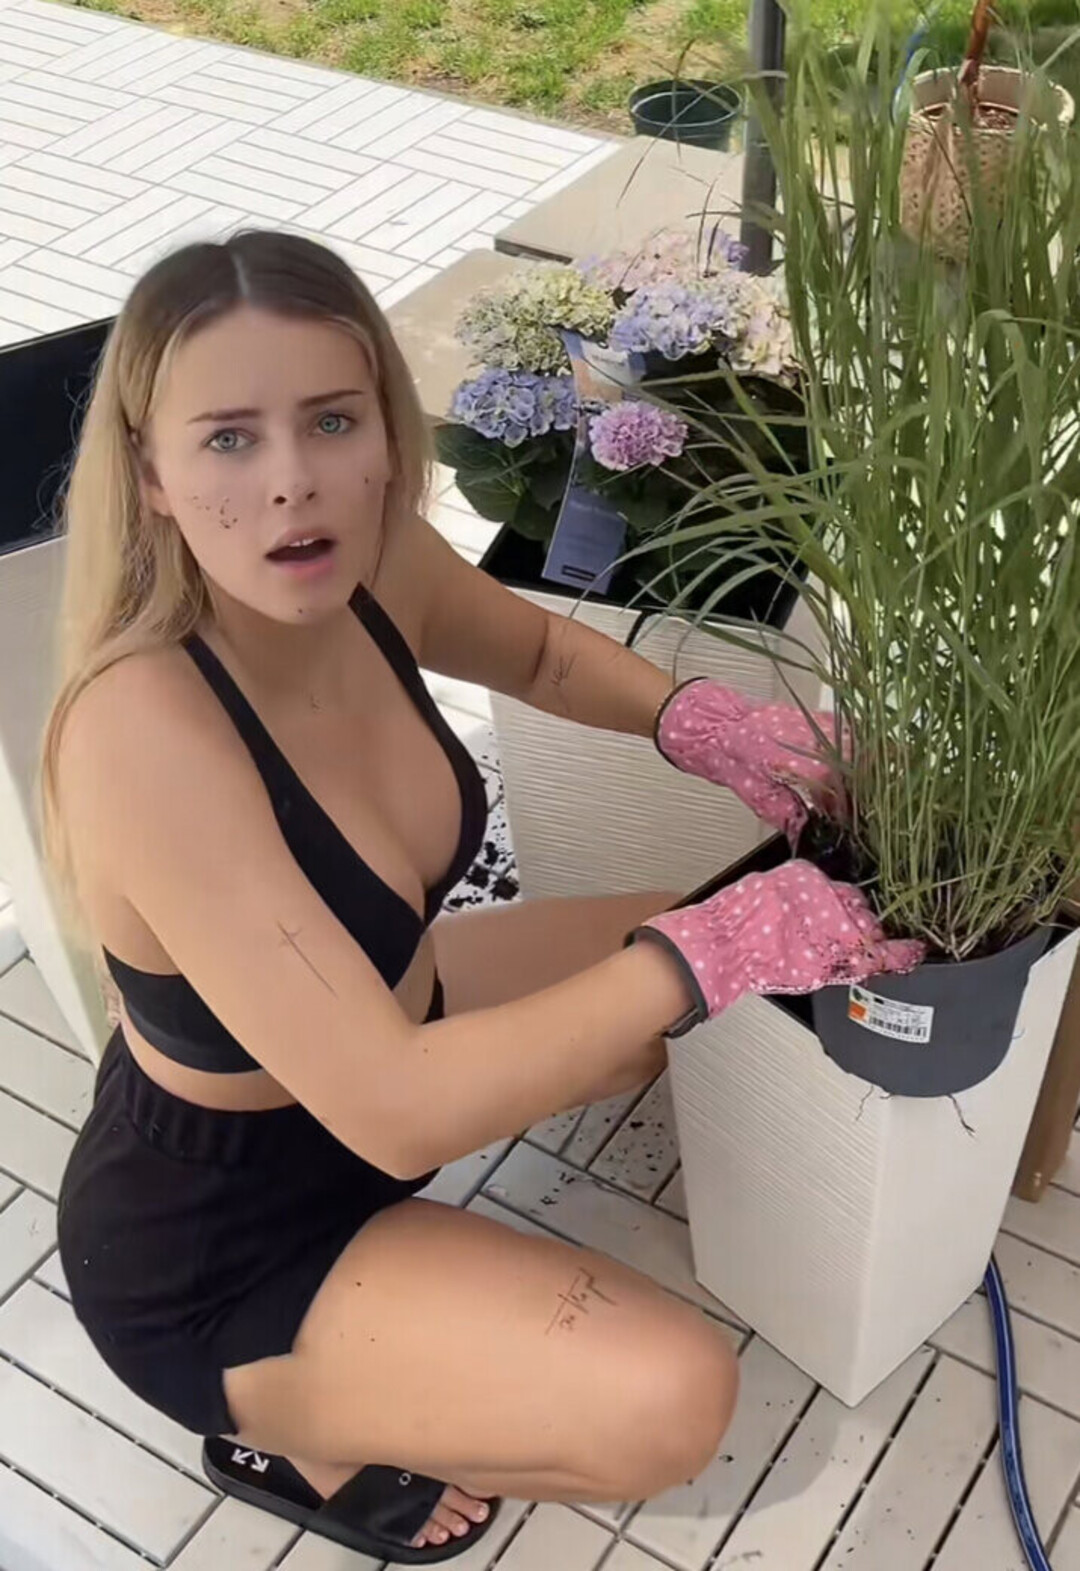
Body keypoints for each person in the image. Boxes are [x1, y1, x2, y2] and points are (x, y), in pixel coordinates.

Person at [41, 229, 922, 1564]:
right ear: (151, 471)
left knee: (665, 960)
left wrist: (708, 725)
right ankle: (290, 1432)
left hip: (392, 1036)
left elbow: (543, 656)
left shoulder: (363, 558)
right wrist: (704, 952)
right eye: (228, 438)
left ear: (386, 429)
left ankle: (394, 1330)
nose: (292, 482)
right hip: (225, 1242)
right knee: (675, 1400)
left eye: (331, 420)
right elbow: (399, 1109)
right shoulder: (143, 732)